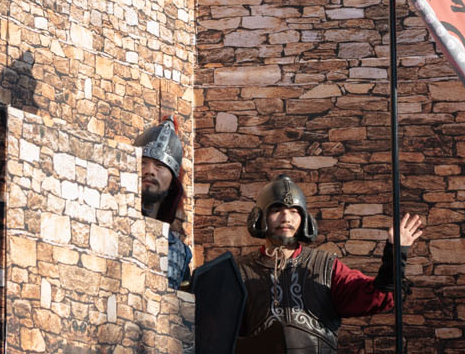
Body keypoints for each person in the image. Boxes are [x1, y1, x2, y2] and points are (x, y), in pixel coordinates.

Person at [234, 176, 424, 352]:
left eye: (294, 211)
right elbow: (222, 334)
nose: (286, 218)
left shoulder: (326, 267)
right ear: (261, 217)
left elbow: (375, 295)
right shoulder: (239, 271)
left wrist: (395, 254)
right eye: (276, 210)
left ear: (304, 218)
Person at [136, 118, 191, 289]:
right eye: (143, 163)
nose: (149, 171)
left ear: (172, 182)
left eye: (159, 165)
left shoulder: (181, 254)